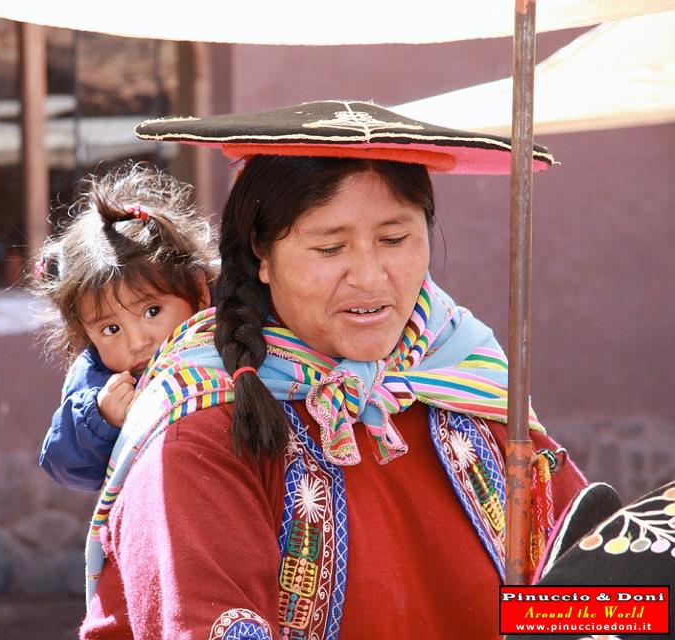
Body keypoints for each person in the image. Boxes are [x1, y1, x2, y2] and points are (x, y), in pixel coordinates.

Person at [79, 101, 589, 639]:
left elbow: (578, 595)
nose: (369, 278)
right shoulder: (197, 435)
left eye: (395, 240)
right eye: (329, 247)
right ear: (261, 254)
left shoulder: (468, 381)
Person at [34, 162, 215, 491]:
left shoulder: (233, 326)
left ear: (200, 291)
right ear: (85, 334)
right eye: (110, 330)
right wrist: (99, 419)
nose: (137, 341)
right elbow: (64, 464)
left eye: (152, 310)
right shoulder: (97, 381)